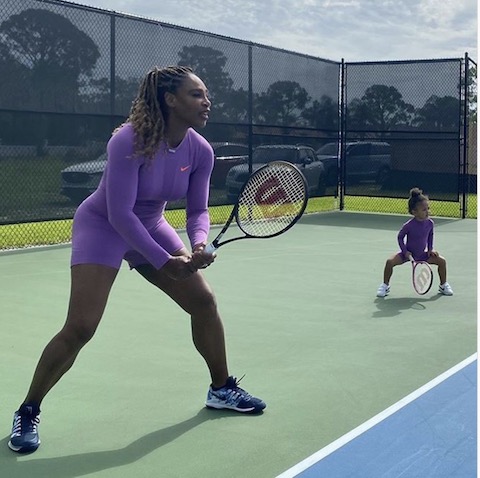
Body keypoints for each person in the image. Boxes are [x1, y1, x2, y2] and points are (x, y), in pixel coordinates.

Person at [8, 65, 265, 454]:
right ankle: (28, 410)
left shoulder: (201, 150)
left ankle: (221, 388)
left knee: (203, 301)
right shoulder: (128, 139)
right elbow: (119, 214)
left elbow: (198, 210)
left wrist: (196, 244)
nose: (206, 101)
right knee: (81, 327)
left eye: (206, 94)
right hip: (103, 225)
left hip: (151, 222)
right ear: (170, 100)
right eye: (197, 94)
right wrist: (164, 261)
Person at [376, 187, 453, 298]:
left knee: (442, 261)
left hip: (423, 254)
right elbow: (400, 237)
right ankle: (385, 286)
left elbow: (430, 235)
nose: (427, 211)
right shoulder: (408, 225)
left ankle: (443, 285)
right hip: (407, 255)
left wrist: (430, 249)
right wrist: (405, 251)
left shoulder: (430, 223)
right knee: (389, 262)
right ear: (414, 212)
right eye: (424, 210)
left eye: (428, 208)